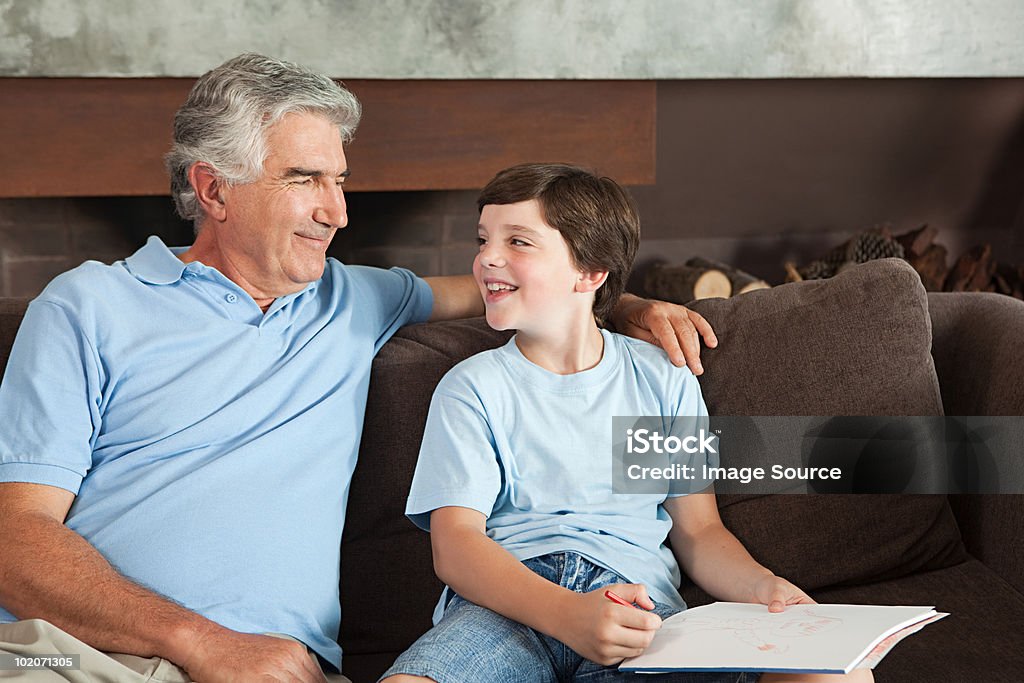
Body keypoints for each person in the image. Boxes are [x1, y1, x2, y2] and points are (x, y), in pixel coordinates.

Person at [0, 55, 716, 683]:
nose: (336, 211)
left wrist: (628, 304)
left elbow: (522, 288)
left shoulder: (351, 297)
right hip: (73, 656)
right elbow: (16, 537)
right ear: (214, 191)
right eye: (305, 178)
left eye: (339, 179)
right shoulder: (87, 306)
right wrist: (200, 641)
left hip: (279, 666)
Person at [380, 164, 872, 683]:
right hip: (510, 608)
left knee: (838, 672)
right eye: (483, 240)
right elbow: (456, 545)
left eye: (518, 241)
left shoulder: (659, 379)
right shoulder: (474, 387)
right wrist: (570, 617)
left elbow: (700, 531)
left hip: (638, 610)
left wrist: (764, 587)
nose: (486, 259)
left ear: (591, 273)